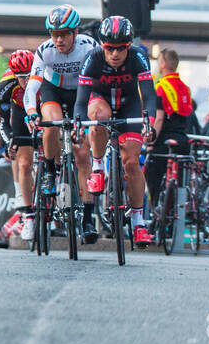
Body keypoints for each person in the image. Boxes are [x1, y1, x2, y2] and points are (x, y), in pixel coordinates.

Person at [73, 15, 157, 247]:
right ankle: (98, 168)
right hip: (100, 102)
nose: (115, 54)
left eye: (121, 48)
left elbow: (149, 97)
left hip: (129, 105)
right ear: (102, 45)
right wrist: (78, 123)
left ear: (129, 45)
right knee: (99, 117)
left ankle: (139, 223)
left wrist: (148, 121)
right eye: (110, 48)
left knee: (131, 163)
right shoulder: (92, 58)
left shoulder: (139, 56)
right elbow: (80, 102)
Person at [25, 5, 100, 243]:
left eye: (64, 34)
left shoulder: (89, 47)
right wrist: (30, 112)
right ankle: (49, 169)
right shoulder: (44, 51)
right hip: (53, 90)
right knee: (50, 123)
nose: (58, 39)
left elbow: (101, 81)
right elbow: (32, 87)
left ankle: (88, 217)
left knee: (82, 153)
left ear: (75, 32)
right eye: (53, 33)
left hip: (81, 90)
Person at [146, 48, 194, 204]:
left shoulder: (161, 87)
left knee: (152, 176)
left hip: (165, 141)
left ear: (163, 64)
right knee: (180, 183)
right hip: (183, 140)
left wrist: (151, 142)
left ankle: (154, 214)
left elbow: (159, 119)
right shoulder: (185, 88)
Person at [0, 50, 35, 234]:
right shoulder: (6, 84)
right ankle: (28, 216)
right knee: (24, 163)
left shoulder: (43, 75)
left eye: (29, 76)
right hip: (20, 111)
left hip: (40, 108)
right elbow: (4, 121)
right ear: (14, 75)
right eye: (22, 77)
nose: (26, 81)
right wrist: (9, 140)